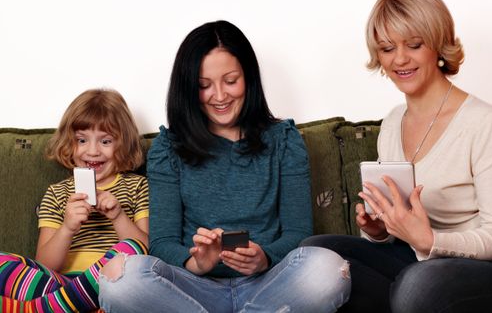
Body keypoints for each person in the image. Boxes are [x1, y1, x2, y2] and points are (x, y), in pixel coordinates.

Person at [98, 20, 350, 313]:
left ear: (249, 78)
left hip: (269, 284)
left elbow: (298, 234)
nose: (219, 96)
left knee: (328, 267)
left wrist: (264, 258)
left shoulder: (284, 140)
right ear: (189, 88)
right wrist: (198, 262)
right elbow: (162, 243)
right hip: (193, 290)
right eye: (204, 86)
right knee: (118, 276)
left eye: (230, 81)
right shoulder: (169, 148)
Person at [301, 0, 492, 312]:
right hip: (420, 262)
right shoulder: (392, 124)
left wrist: (431, 241)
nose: (400, 59)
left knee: (417, 286)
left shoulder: (485, 123)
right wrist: (378, 231)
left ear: (437, 45)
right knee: (316, 254)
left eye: (414, 45)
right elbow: (400, 234)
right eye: (388, 48)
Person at [0, 88, 149, 312]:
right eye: (82, 140)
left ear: (124, 144)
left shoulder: (137, 186)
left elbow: (147, 250)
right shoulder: (57, 193)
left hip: (110, 284)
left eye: (105, 141)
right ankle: (72, 303)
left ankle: (38, 308)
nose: (92, 151)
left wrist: (119, 217)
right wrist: (67, 228)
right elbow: (46, 264)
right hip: (58, 285)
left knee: (131, 248)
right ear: (70, 144)